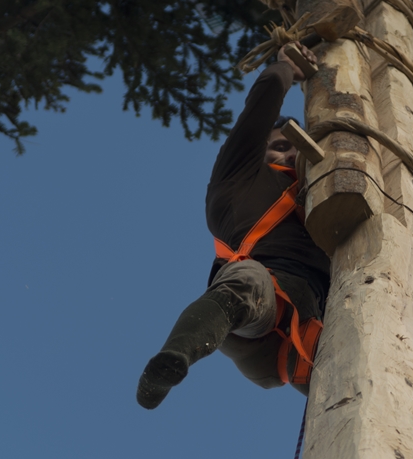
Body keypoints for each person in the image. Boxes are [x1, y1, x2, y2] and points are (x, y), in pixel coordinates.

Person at [136, 42, 328, 409]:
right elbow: (257, 115)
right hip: (256, 320)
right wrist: (284, 70)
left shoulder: (321, 200)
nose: (289, 154)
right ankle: (171, 360)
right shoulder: (238, 183)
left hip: (309, 326)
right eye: (280, 146)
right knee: (249, 279)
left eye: (296, 149)